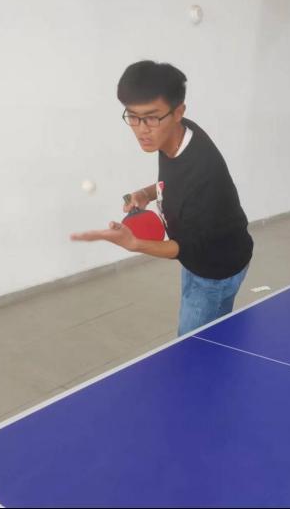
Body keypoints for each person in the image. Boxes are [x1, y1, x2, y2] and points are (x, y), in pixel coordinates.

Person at [70, 61, 253, 337]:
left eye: (151, 118)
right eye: (133, 116)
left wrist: (134, 244)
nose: (141, 129)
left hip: (217, 269)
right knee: (211, 337)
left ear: (178, 112)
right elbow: (173, 183)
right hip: (203, 257)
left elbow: (184, 248)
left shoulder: (202, 174)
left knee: (194, 346)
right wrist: (146, 193)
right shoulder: (175, 135)